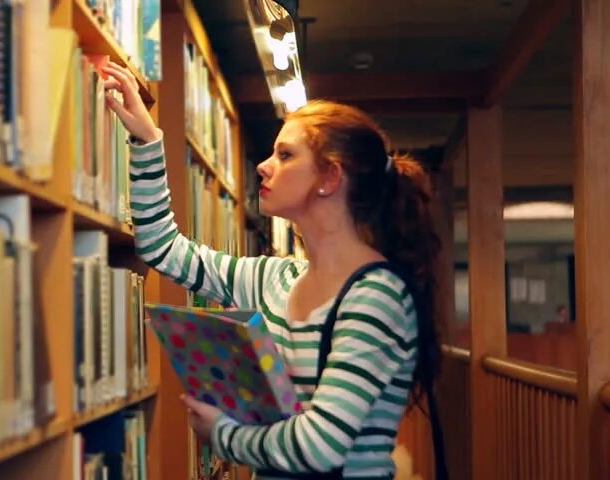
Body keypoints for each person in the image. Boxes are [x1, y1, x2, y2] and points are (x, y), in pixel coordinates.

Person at [101, 62, 446, 480]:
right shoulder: (273, 280)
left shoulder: (377, 296)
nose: (263, 166)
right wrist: (146, 140)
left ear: (330, 177)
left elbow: (319, 447)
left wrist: (223, 435)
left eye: (285, 155)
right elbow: (161, 248)